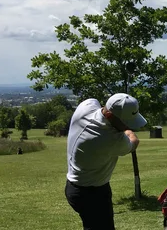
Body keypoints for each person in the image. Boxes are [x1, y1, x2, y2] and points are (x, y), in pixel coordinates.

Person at [64, 93, 146, 230]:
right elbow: (133, 142)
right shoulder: (111, 139)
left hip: (75, 187)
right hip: (92, 195)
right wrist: (128, 131)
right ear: (113, 117)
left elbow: (97, 104)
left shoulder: (86, 107)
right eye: (127, 122)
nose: (129, 125)